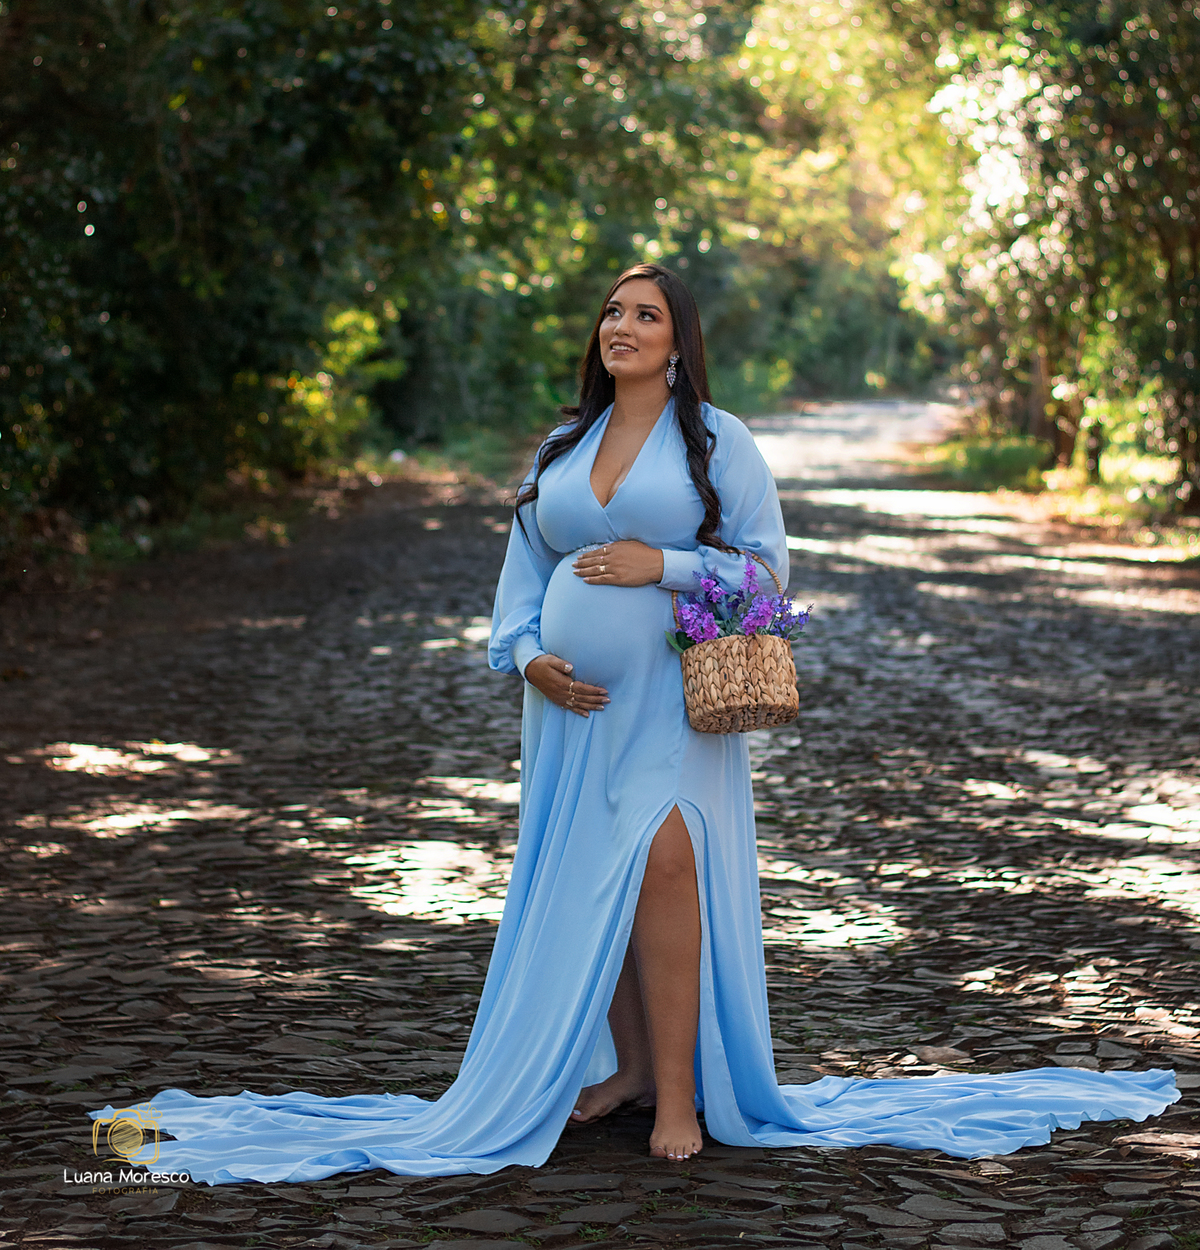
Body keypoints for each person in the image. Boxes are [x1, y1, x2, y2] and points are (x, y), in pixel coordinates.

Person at [90, 266, 1177, 1182]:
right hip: (571, 708)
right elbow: (520, 581)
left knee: (663, 862)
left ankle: (683, 1097)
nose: (621, 326)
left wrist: (669, 563)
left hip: (672, 698)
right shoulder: (565, 446)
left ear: (679, 341)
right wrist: (530, 657)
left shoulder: (723, 442)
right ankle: (627, 1070)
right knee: (592, 871)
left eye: (645, 315)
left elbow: (767, 574)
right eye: (611, 312)